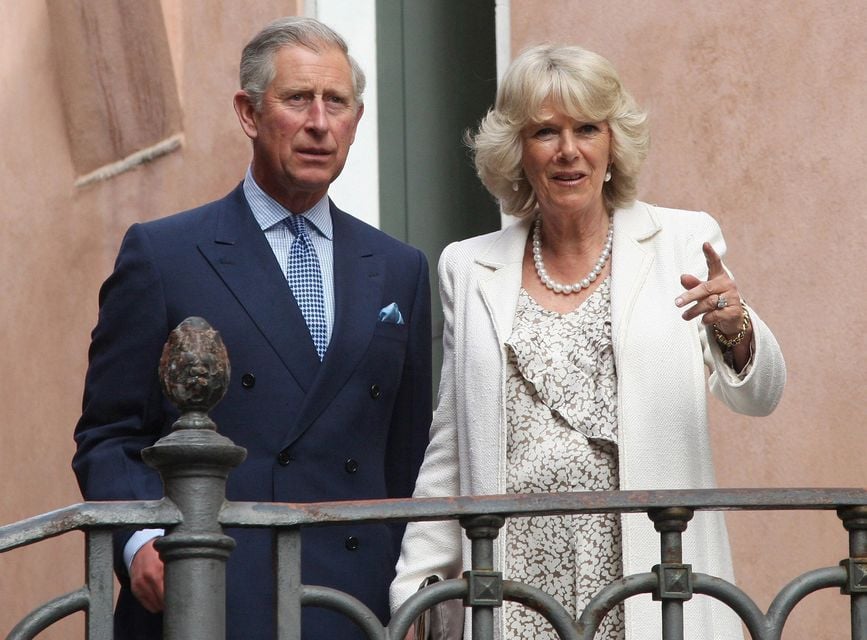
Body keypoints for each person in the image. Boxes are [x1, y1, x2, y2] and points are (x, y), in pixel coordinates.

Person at [390, 43, 785, 640]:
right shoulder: (467, 268)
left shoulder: (682, 241)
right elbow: (451, 440)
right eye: (545, 131)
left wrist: (735, 326)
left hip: (648, 577)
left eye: (587, 128)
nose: (568, 150)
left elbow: (760, 396)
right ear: (518, 152)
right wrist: (417, 583)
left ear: (612, 144)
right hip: (513, 582)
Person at [72, 16, 432, 640]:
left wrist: (415, 590)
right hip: (212, 597)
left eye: (337, 102)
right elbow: (107, 434)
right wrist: (140, 546)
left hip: (353, 606)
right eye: (297, 99)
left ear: (357, 119)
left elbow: (411, 456)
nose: (320, 123)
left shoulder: (400, 270)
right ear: (248, 112)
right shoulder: (164, 255)